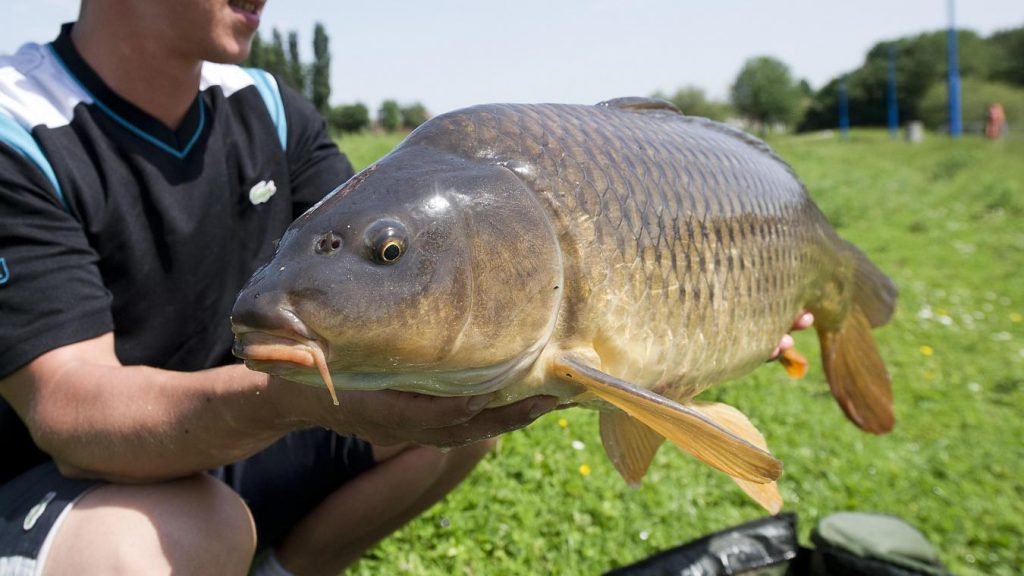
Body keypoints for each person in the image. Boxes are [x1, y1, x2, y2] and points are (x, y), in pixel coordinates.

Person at [0, 2, 811, 575]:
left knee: (453, 417)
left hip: (234, 434)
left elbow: (400, 277)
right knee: (179, 538)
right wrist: (292, 402)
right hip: (65, 479)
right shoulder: (17, 125)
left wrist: (693, 315)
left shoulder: (273, 109)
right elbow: (72, 411)